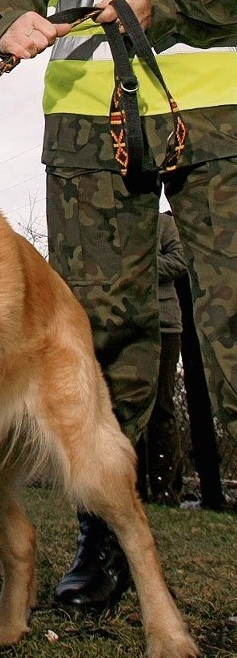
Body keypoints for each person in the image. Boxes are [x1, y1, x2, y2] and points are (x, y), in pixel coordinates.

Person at [0, 0, 237, 612]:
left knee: (233, 318)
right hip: (89, 133)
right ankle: (104, 532)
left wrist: (160, 1)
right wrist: (7, 18)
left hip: (214, 117)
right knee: (100, 330)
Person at [136, 212, 187, 506]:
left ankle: (166, 487)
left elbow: (179, 262)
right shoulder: (127, 223)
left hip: (166, 325)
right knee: (136, 404)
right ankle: (137, 487)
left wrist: (145, 263)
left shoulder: (165, 225)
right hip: (136, 323)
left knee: (163, 406)